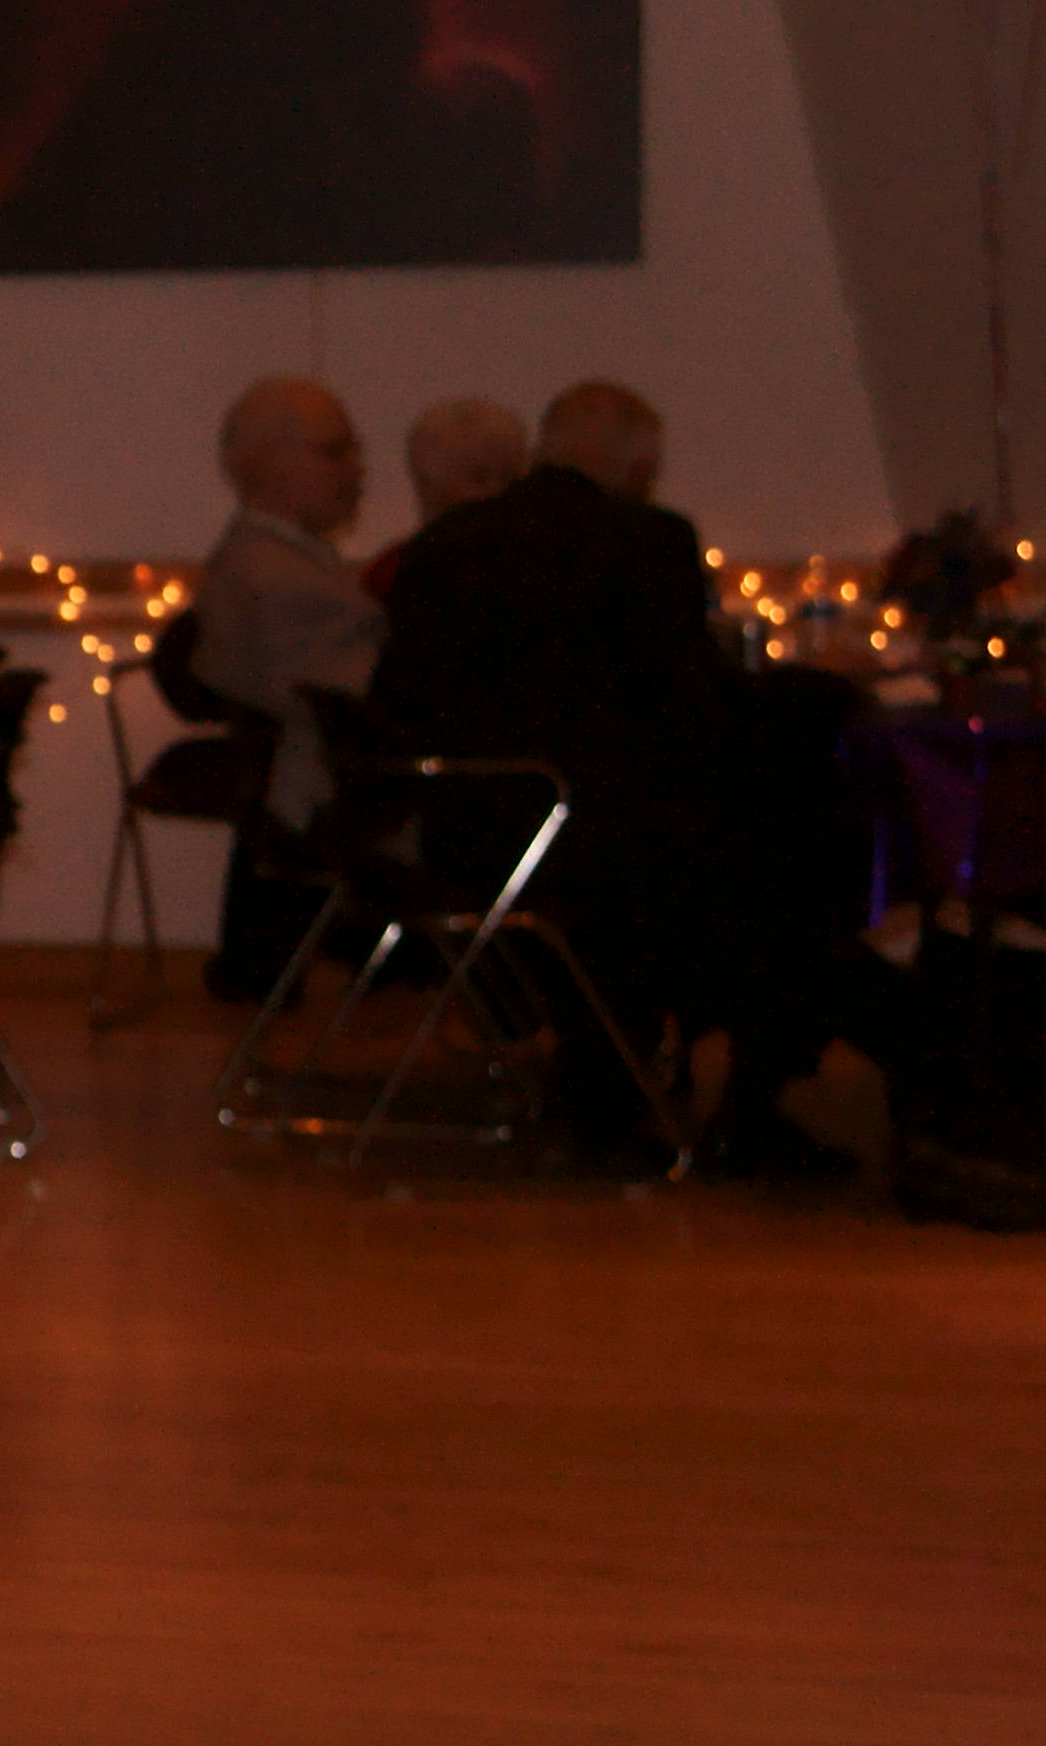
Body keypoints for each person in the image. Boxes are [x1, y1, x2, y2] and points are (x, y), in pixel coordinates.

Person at [372, 374, 860, 1172]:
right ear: (638, 470)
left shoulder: (444, 546)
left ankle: (616, 1081)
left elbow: (397, 700)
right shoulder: (647, 541)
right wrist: (821, 695)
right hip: (600, 847)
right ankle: (754, 1100)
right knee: (795, 857)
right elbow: (692, 706)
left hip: (466, 836)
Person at [182, 376, 382, 993]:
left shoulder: (280, 561)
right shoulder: (281, 577)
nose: (357, 470)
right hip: (326, 800)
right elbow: (363, 697)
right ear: (271, 464)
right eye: (335, 452)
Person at [373, 395, 530, 604]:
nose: (497, 492)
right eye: (478, 478)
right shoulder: (390, 577)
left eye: (510, 478)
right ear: (427, 485)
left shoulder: (542, 570)